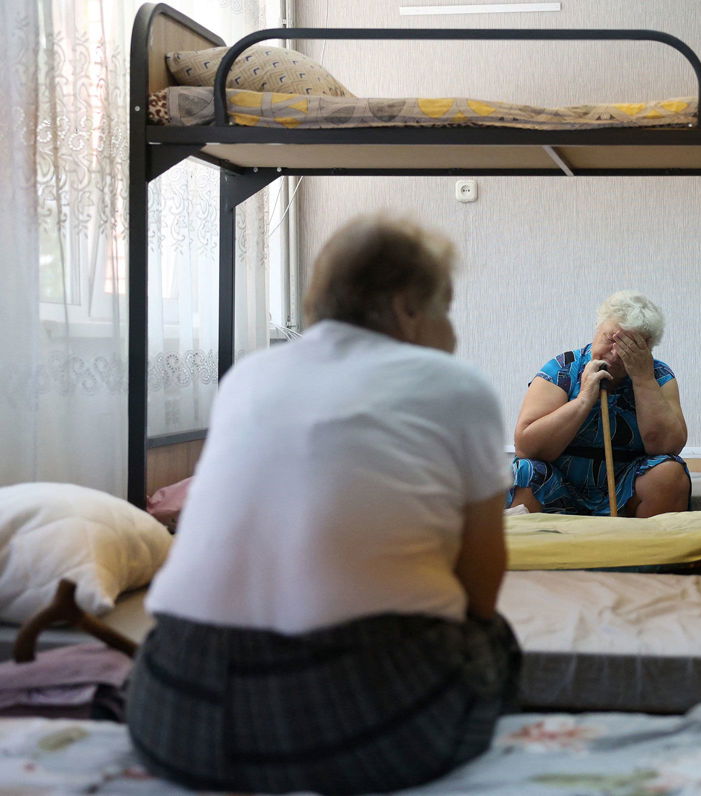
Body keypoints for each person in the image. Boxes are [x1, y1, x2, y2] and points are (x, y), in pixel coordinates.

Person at [126, 214, 520, 794]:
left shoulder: (249, 376)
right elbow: (482, 587)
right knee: (496, 642)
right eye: (446, 309)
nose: (451, 331)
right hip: (355, 725)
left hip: (172, 712)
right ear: (408, 307)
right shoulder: (455, 385)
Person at [509, 290, 690, 517]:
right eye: (610, 339)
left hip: (626, 485)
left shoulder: (659, 376)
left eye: (629, 347)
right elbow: (526, 447)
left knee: (669, 472)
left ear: (648, 348)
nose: (615, 355)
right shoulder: (561, 369)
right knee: (526, 472)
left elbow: (668, 447)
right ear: (597, 329)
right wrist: (584, 399)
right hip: (559, 483)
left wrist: (643, 380)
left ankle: (644, 550)